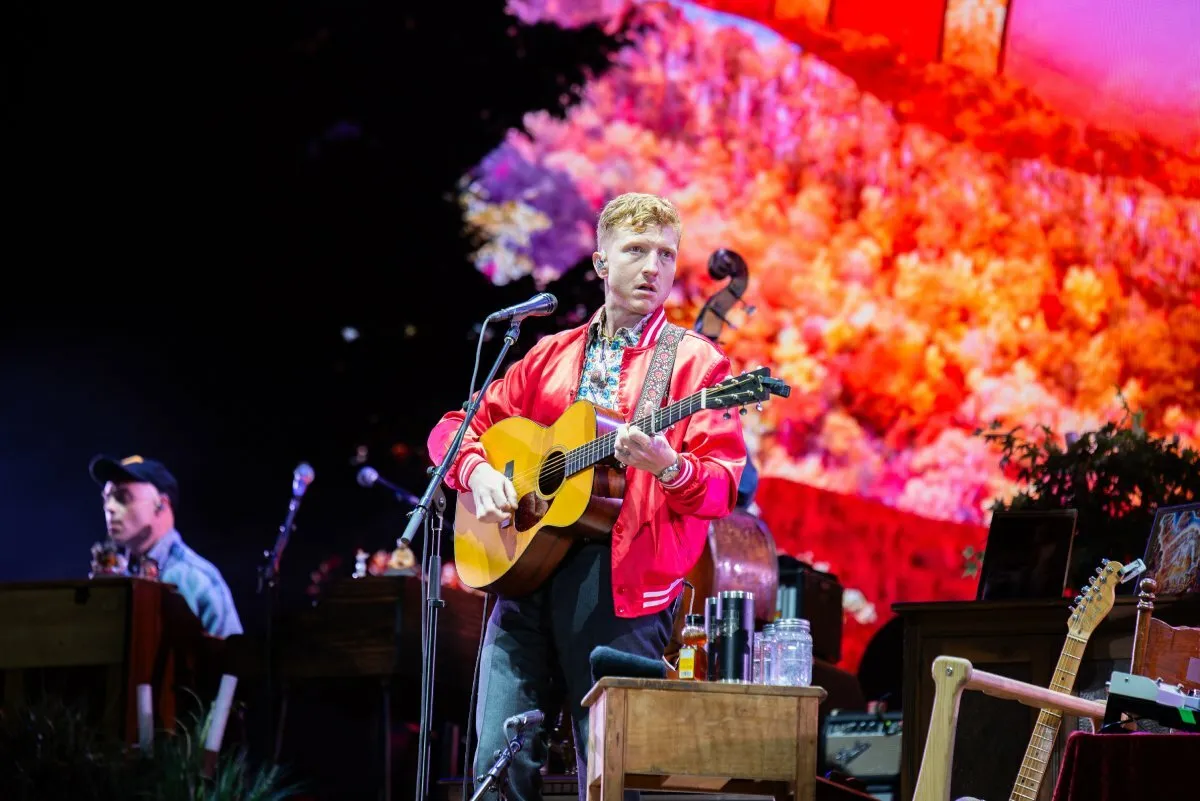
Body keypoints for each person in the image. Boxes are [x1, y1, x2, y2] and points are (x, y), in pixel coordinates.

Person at [427, 192, 748, 801]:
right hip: (522, 571)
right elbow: (454, 428)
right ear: (601, 263)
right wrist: (477, 474)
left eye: (665, 254)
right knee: (498, 758)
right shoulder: (549, 356)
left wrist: (669, 466)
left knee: (610, 769)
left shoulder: (696, 366)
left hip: (623, 588)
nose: (653, 267)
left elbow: (720, 487)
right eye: (636, 251)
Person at [90, 454, 244, 639]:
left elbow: (230, 662)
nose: (110, 507)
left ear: (161, 505)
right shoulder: (121, 574)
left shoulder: (195, 578)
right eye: (106, 498)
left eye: (123, 497)